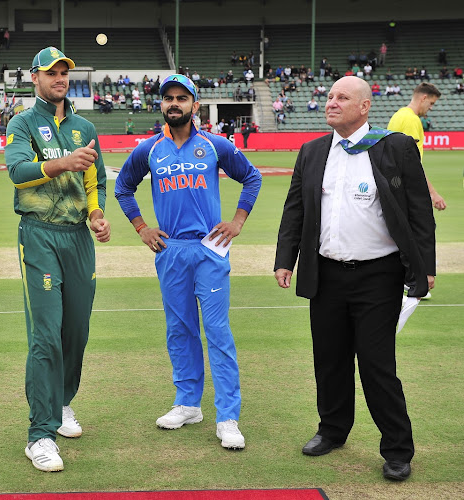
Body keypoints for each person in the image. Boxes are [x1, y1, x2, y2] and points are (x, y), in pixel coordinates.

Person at [274, 76, 435, 483]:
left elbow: (419, 211)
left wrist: (426, 267)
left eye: (342, 97)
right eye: (329, 97)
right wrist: (285, 260)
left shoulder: (393, 146)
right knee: (329, 359)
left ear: (364, 107)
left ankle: (397, 449)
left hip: (378, 276)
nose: (332, 103)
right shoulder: (312, 152)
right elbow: (295, 210)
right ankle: (332, 430)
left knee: (377, 364)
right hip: (325, 273)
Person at [115, 74, 262, 450]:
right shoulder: (148, 150)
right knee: (180, 331)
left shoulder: (215, 146)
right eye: (169, 99)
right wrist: (142, 228)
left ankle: (228, 417)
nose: (175, 103)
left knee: (217, 332)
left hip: (210, 248)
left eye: (182, 98)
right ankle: (187, 404)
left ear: (195, 105)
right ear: (161, 105)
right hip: (171, 251)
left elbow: (252, 178)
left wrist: (237, 221)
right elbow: (123, 187)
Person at [5, 46, 111, 473]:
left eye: (65, 72)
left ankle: (62, 403)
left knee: (76, 333)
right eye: (51, 73)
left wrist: (98, 215)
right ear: (35, 78)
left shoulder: (85, 126)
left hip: (77, 239)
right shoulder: (23, 123)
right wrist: (62, 162)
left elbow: (95, 180)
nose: (60, 78)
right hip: (40, 236)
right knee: (46, 336)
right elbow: (17, 173)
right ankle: (40, 435)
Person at [387, 82, 446, 211]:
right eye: (431, 103)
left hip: (394, 185)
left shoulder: (398, 115)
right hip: (405, 189)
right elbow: (412, 162)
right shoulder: (412, 120)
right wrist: (433, 194)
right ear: (424, 98)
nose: (431, 108)